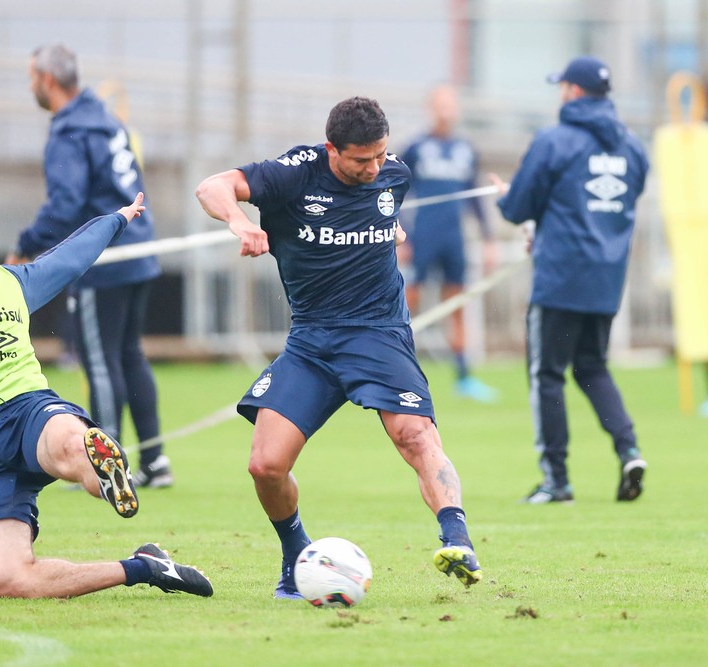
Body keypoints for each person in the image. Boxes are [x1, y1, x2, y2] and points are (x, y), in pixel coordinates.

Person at [195, 96, 482, 598]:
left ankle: (457, 540)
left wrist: (386, 231)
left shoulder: (395, 175)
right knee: (265, 465)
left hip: (379, 333)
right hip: (313, 340)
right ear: (332, 149)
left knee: (415, 435)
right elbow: (211, 186)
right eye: (360, 160)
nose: (374, 168)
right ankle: (294, 557)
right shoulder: (291, 175)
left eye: (380, 156)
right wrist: (242, 223)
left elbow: (380, 216)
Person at [0, 193, 212, 599]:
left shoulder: (13, 280)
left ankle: (98, 468)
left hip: (28, 409)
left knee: (68, 446)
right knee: (4, 580)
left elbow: (71, 256)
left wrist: (116, 219)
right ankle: (145, 567)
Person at [7, 43, 172, 488]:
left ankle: (109, 464)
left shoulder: (70, 130)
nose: (30, 85)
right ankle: (155, 460)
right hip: (139, 247)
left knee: (99, 360)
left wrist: (26, 247)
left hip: (105, 255)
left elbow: (65, 205)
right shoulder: (104, 117)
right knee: (129, 355)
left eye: (31, 77)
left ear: (47, 79)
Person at [494, 56, 649, 504]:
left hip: (560, 278)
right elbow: (622, 202)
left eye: (562, 85)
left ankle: (556, 479)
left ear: (574, 91)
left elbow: (517, 207)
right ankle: (629, 449)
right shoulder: (634, 147)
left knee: (547, 374)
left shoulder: (554, 140)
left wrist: (511, 199)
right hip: (606, 278)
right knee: (593, 366)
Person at [400, 84, 499, 403]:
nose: (445, 111)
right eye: (439, 105)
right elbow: (393, 192)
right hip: (422, 236)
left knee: (456, 304)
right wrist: (399, 233)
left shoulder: (466, 149)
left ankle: (464, 376)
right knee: (405, 304)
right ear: (431, 108)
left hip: (453, 238)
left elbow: (475, 198)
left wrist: (488, 240)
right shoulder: (416, 148)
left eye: (450, 105)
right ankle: (393, 369)